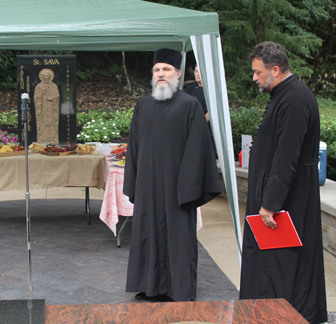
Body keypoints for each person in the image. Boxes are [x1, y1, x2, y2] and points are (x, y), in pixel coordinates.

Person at [123, 48, 222, 302]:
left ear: (177, 74)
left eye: (166, 69)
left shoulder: (190, 106)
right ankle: (148, 286)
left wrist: (188, 189)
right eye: (157, 70)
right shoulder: (143, 105)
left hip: (178, 190)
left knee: (178, 240)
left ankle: (178, 288)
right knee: (147, 234)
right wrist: (134, 183)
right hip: (147, 187)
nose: (161, 74)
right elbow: (133, 147)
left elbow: (199, 149)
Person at [239, 41, 327, 324]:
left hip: (289, 202)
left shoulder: (295, 99)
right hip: (282, 196)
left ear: (275, 70)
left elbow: (287, 155)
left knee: (284, 266)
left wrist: (270, 203)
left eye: (257, 72)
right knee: (275, 265)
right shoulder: (285, 95)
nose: (254, 77)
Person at [34, 68, 60, 144]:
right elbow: (36, 97)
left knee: (52, 124)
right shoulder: (39, 86)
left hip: (51, 108)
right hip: (43, 109)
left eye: (47, 77)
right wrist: (41, 94)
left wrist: (52, 98)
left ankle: (53, 140)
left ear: (49, 77)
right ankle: (42, 140)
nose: (46, 78)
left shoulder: (54, 86)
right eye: (44, 77)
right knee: (42, 124)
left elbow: (57, 96)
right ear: (42, 78)